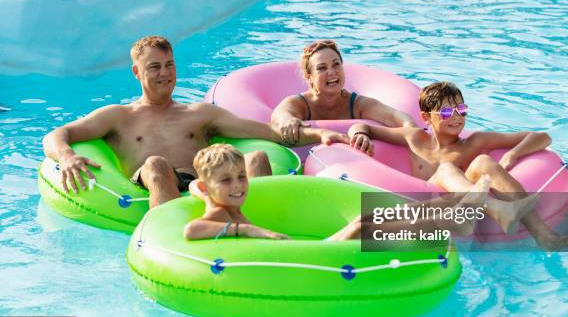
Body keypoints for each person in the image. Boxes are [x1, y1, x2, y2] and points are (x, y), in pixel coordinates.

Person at [43, 36, 347, 208]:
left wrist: (319, 134)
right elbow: (59, 134)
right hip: (156, 183)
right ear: (137, 73)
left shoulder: (199, 114)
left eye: (170, 64)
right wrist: (67, 156)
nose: (165, 73)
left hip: (206, 183)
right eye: (154, 67)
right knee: (155, 164)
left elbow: (268, 133)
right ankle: (167, 237)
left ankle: (261, 235)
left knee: (257, 157)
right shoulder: (119, 117)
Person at [347, 81, 568, 249]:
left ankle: (544, 235)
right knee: (446, 168)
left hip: (460, 203)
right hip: (428, 204)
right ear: (426, 118)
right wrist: (360, 135)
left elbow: (542, 137)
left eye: (461, 110)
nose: (456, 117)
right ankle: (496, 209)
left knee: (484, 162)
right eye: (446, 112)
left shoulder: (476, 142)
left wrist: (513, 155)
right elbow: (364, 126)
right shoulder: (415, 138)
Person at [185, 144, 501, 241]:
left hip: (296, 249)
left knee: (371, 216)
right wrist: (251, 230)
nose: (239, 185)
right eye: (227, 181)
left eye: (241, 177)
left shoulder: (216, 199)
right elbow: (191, 229)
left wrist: (206, 191)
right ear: (209, 187)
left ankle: (456, 214)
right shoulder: (217, 213)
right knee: (363, 225)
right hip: (300, 256)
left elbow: (200, 190)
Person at [271, 39, 417, 155]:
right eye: (322, 68)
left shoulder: (357, 104)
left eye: (336, 65)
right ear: (309, 77)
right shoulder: (300, 103)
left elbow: (395, 116)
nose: (331, 72)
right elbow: (280, 114)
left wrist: (411, 130)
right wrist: (287, 120)